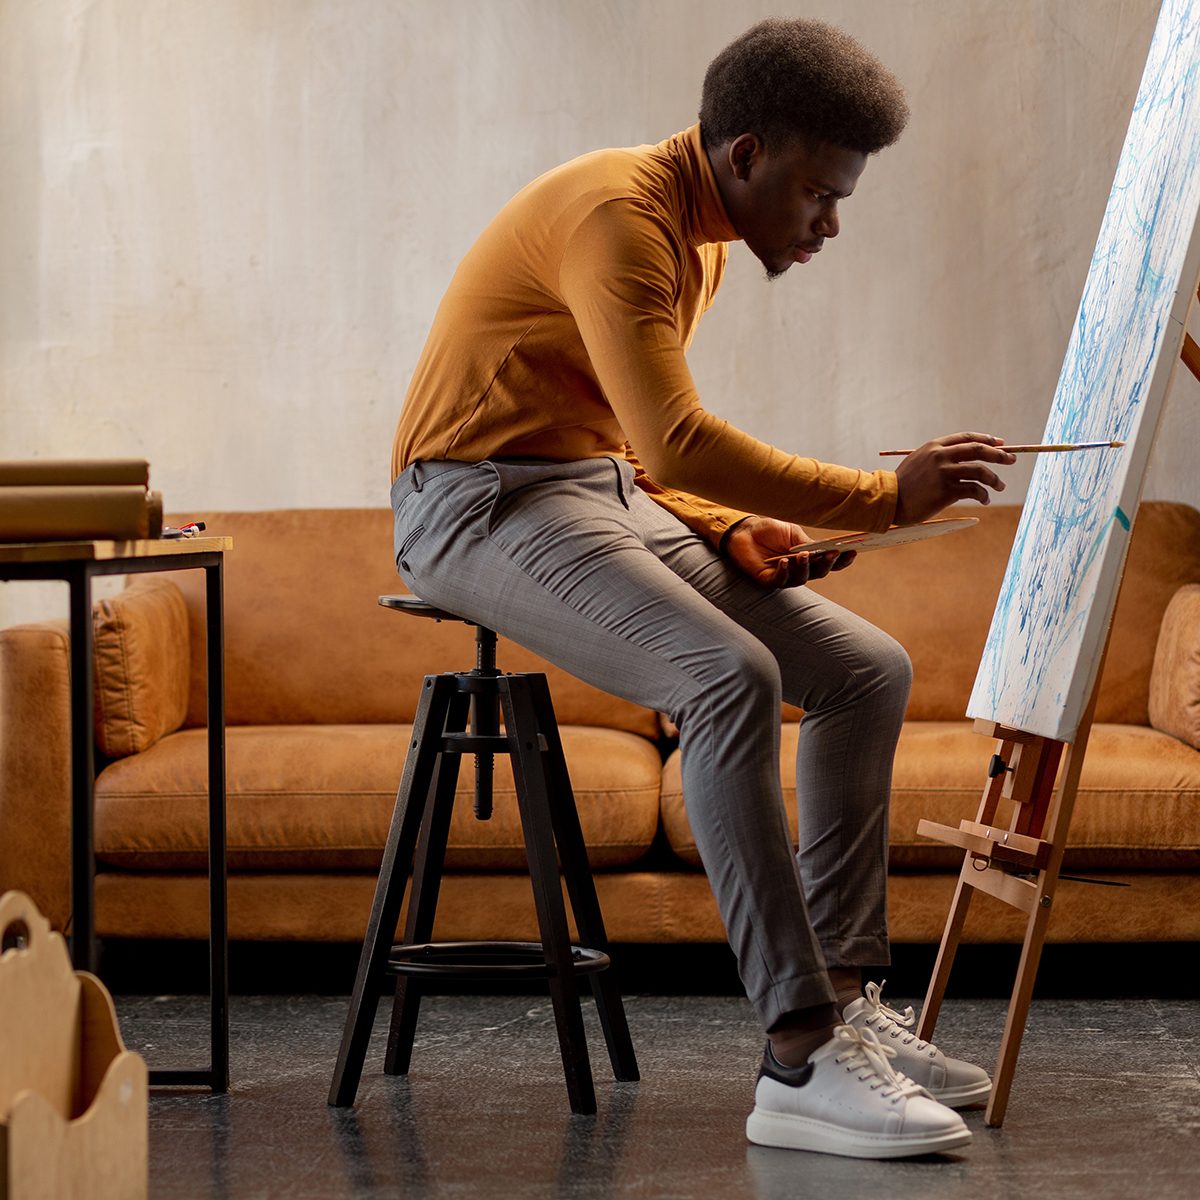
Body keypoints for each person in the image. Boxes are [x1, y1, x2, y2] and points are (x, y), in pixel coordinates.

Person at [389, 16, 1015, 1159]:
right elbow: (674, 439)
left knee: (866, 670)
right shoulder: (621, 221)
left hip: (593, 491)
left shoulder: (707, 233)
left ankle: (847, 996)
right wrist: (883, 496)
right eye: (821, 195)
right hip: (474, 501)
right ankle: (800, 1054)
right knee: (730, 678)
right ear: (746, 156)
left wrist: (734, 528)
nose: (830, 224)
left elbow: (631, 455)